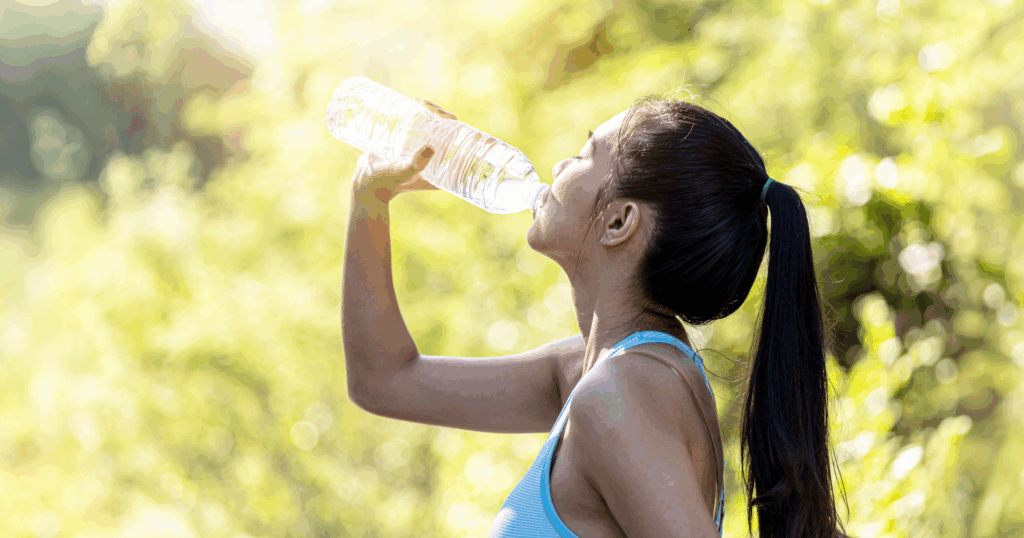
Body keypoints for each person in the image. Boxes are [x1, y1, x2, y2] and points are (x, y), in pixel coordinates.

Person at [342, 94, 851, 538]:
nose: (561, 165)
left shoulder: (618, 396)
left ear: (619, 221)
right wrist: (370, 198)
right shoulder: (591, 373)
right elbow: (385, 380)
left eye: (584, 155)